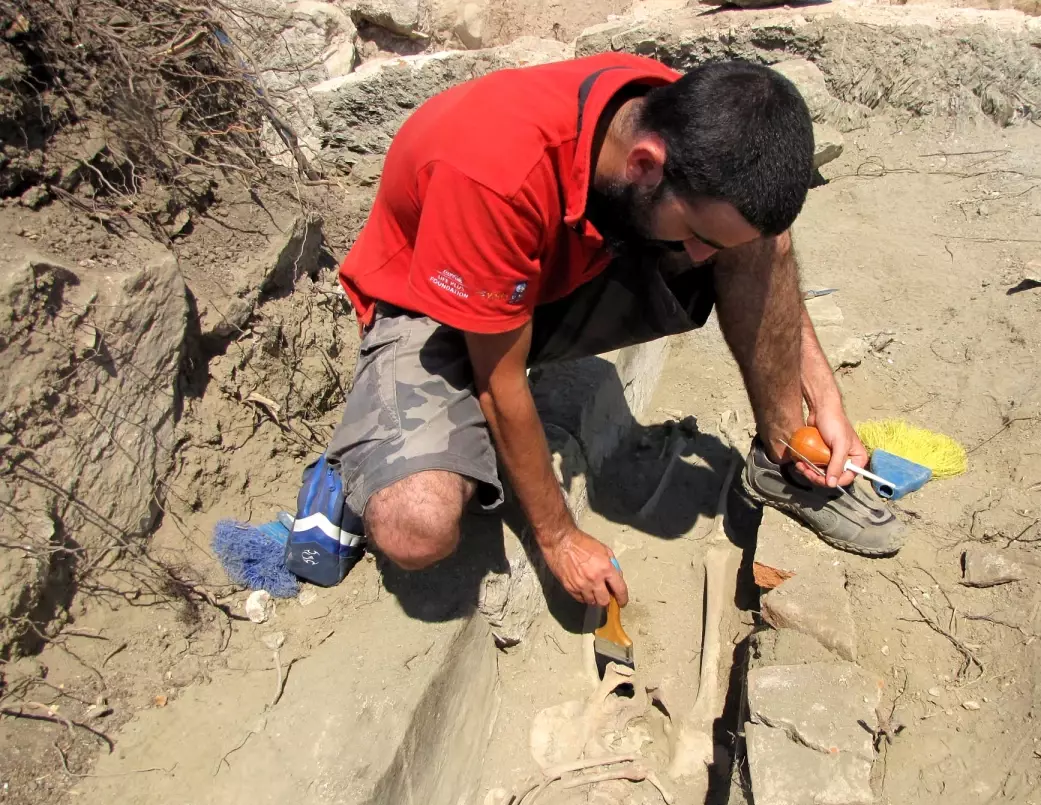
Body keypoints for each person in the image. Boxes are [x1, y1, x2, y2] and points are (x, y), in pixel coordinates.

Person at [328, 51, 904, 610]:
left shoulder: (676, 118)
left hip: (555, 272)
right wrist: (559, 537)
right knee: (416, 529)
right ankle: (361, 451)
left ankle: (783, 454)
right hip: (435, 312)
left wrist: (825, 399)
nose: (701, 256)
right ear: (645, 164)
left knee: (752, 241)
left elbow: (749, 241)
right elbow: (500, 389)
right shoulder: (494, 175)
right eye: (698, 233)